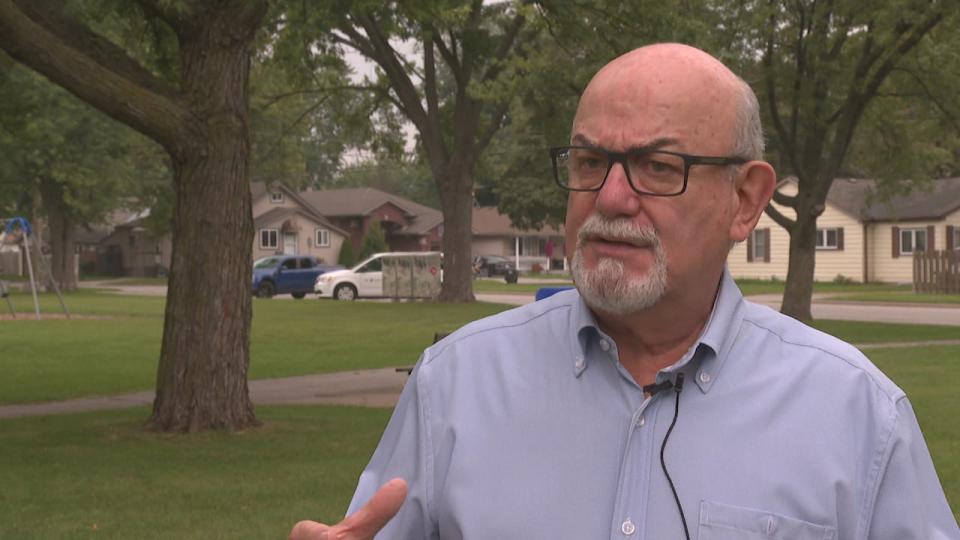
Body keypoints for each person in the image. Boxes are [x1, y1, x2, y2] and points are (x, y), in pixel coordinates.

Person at [290, 43, 959, 539]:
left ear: (746, 199)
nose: (611, 197)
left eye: (658, 166)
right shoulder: (454, 387)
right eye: (589, 162)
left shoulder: (857, 416)